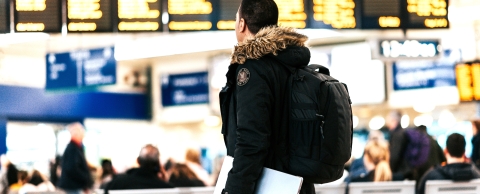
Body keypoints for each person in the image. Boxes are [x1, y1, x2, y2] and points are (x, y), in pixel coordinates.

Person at [219, 0, 314, 193]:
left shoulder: (253, 69)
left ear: (242, 24)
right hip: (298, 185)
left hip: (270, 185)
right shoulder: (292, 64)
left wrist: (234, 190)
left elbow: (251, 140)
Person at [104, 144, 173, 192]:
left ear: (138, 161)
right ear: (158, 163)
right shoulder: (167, 189)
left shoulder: (117, 183)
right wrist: (165, 181)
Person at [58, 122, 93, 194]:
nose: (83, 135)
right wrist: (85, 178)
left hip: (74, 186)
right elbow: (72, 168)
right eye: (81, 132)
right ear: (76, 134)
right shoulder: (72, 148)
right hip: (73, 187)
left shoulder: (76, 148)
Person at [385, 110, 409, 177]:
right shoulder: (402, 133)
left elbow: (395, 156)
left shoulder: (397, 135)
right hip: (405, 171)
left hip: (401, 172)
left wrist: (390, 170)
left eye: (388, 120)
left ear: (394, 121)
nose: (387, 123)